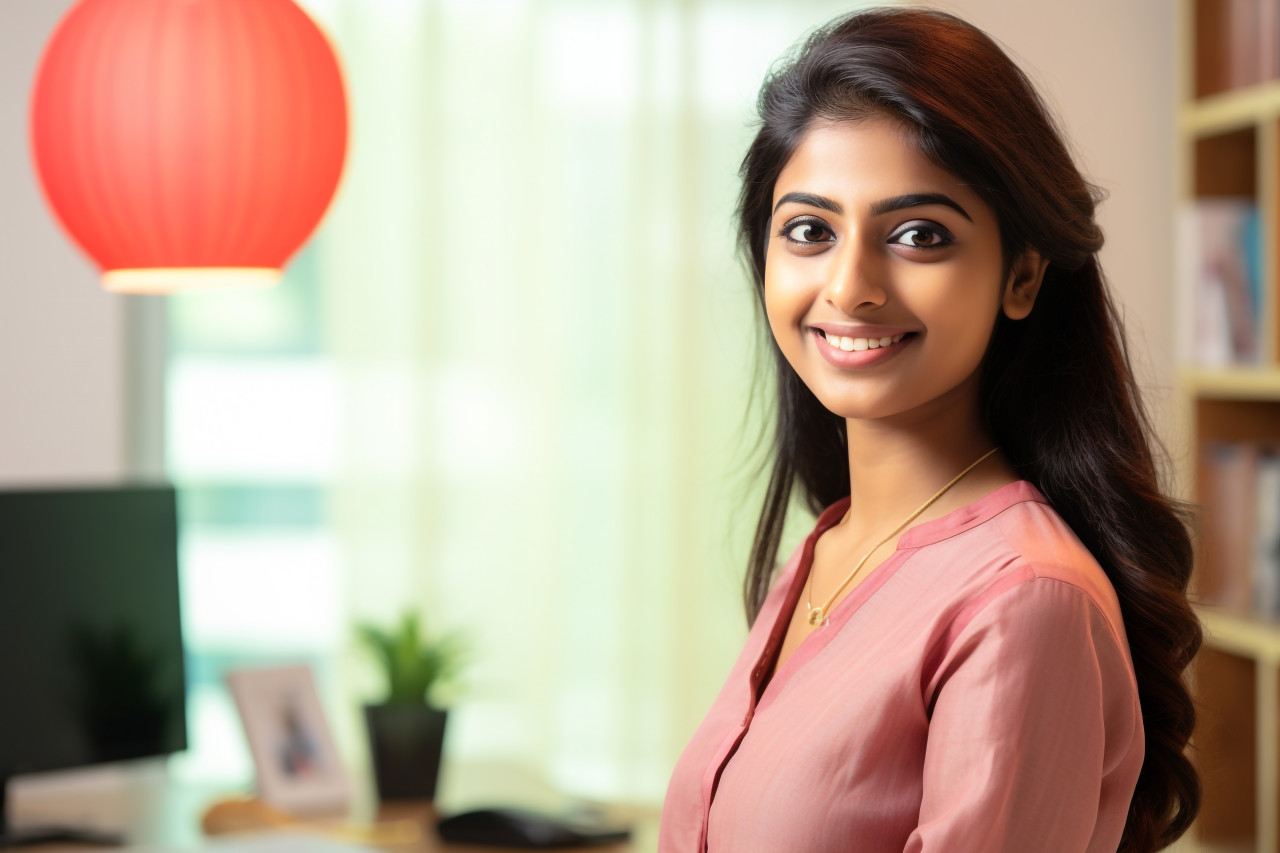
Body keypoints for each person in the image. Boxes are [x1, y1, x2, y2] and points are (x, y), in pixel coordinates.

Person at [658, 8, 1200, 853]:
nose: (851, 287)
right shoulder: (831, 547)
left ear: (1021, 275)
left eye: (919, 235)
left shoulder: (1025, 600)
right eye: (809, 230)